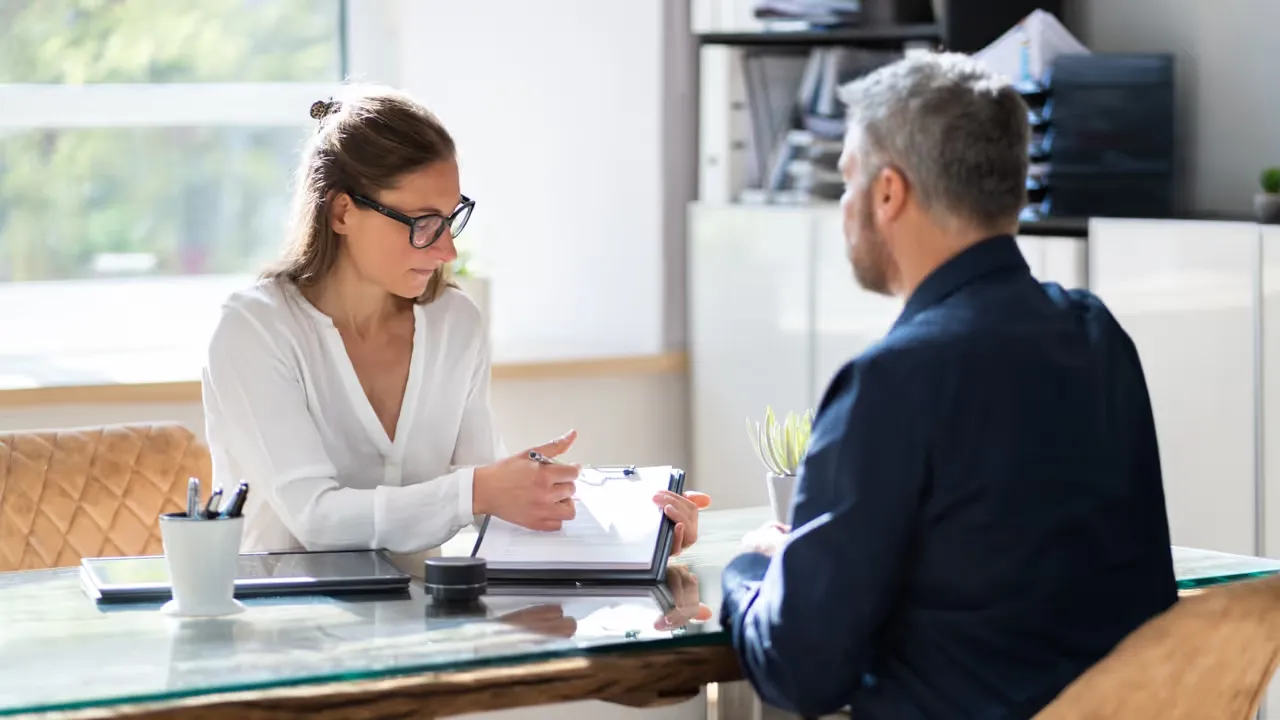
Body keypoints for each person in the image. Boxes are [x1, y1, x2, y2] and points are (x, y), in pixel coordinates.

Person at [719, 52, 1178, 719]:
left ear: (887, 193)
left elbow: (800, 670)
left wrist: (754, 573)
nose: (843, 208)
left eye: (847, 182)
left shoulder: (889, 382)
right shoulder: (1098, 337)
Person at [200, 86, 710, 579]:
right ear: (342, 212)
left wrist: (644, 528)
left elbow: (494, 500)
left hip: (425, 630)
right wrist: (476, 492)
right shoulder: (255, 330)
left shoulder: (454, 322)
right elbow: (316, 519)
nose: (446, 251)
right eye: (423, 223)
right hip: (282, 639)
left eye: (450, 220)